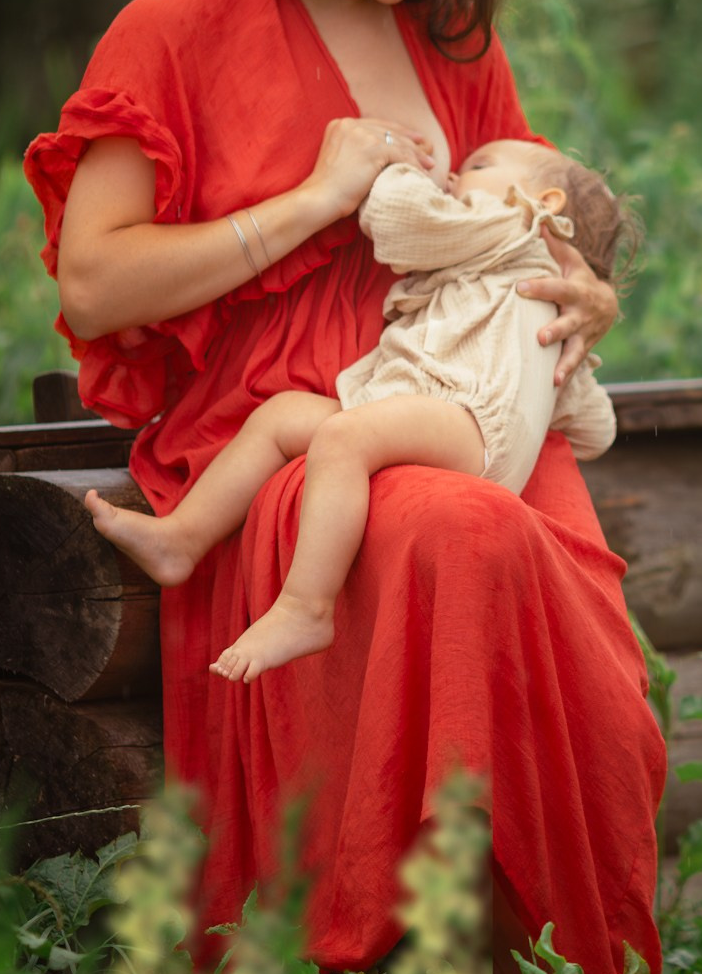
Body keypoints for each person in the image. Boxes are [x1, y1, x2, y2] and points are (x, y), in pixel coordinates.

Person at [22, 0, 665, 974]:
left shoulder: (453, 38)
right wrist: (311, 202)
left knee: (599, 681)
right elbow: (94, 288)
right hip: (286, 433)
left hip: (466, 402)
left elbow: (535, 215)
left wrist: (586, 294)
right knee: (453, 537)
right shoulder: (179, 30)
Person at [82, 139, 631, 685]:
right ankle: (182, 538)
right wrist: (543, 385)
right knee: (284, 416)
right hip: (445, 418)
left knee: (344, 438)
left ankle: (306, 606)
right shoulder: (545, 297)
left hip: (468, 421)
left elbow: (396, 219)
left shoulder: (509, 225)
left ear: (545, 202)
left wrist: (400, 165)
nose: (456, 177)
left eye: (477, 167)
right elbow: (596, 429)